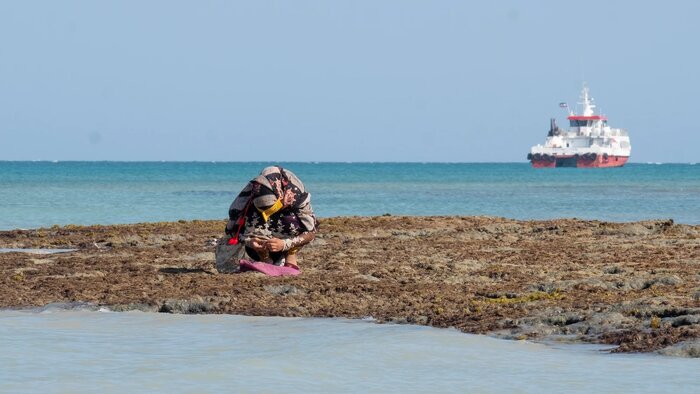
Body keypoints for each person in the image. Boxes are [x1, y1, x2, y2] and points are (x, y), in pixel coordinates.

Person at [225, 166, 317, 269]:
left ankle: (290, 255)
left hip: (288, 240)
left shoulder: (296, 194)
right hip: (259, 245)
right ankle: (264, 256)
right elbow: (232, 230)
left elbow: (311, 232)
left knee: (294, 220)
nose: (266, 213)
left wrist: (284, 244)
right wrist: (250, 242)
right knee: (251, 216)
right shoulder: (251, 193)